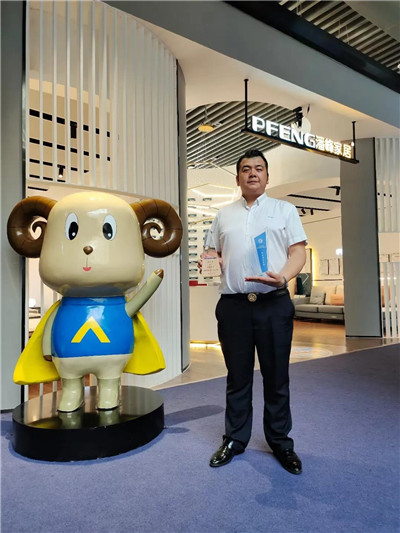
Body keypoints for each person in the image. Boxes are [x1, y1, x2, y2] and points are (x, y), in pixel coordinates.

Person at [199, 148, 307, 475]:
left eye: (259, 168)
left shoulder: (284, 210)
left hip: (273, 304)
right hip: (233, 307)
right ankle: (235, 439)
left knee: (277, 377)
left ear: (267, 177)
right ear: (237, 178)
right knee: (238, 377)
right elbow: (211, 252)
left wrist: (284, 277)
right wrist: (211, 261)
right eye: (246, 169)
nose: (252, 173)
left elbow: (298, 253)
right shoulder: (223, 215)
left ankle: (280, 442)